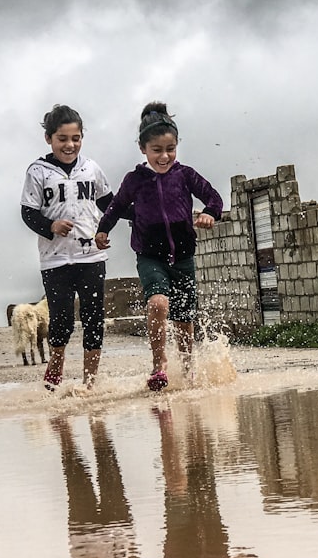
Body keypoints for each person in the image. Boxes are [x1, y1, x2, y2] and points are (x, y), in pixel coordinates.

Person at [95, 102, 224, 391]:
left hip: (183, 257)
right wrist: (103, 230)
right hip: (150, 256)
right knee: (157, 303)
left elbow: (214, 198)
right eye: (157, 150)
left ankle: (189, 370)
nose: (164, 156)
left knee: (183, 319)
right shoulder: (135, 180)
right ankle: (159, 365)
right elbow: (115, 208)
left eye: (170, 149)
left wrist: (209, 214)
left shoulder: (185, 175)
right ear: (143, 149)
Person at [20, 104, 113, 389]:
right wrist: (50, 226)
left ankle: (90, 382)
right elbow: (28, 212)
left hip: (91, 256)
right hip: (55, 260)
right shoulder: (38, 172)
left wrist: (104, 230)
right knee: (61, 320)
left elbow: (109, 205)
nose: (70, 145)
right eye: (62, 139)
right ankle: (55, 370)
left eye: (76, 138)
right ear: (49, 138)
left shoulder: (91, 169)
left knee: (93, 318)